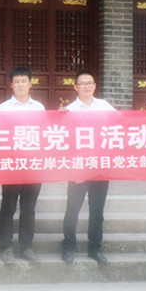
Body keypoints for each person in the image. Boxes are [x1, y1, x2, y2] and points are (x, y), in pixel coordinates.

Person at [61, 70, 115, 264]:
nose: (86, 86)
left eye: (89, 83)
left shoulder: (104, 106)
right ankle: (68, 246)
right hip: (78, 167)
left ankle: (95, 248)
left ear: (94, 86)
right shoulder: (69, 110)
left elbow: (124, 122)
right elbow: (63, 139)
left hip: (100, 166)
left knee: (97, 211)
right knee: (72, 209)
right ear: (75, 87)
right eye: (82, 83)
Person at [0, 66, 45, 263]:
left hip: (33, 165)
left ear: (30, 84)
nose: (20, 85)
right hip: (11, 165)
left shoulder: (39, 108)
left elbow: (44, 134)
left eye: (24, 81)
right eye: (17, 81)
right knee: (8, 206)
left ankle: (26, 247)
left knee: (29, 208)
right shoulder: (2, 109)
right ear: (11, 85)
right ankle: (6, 247)